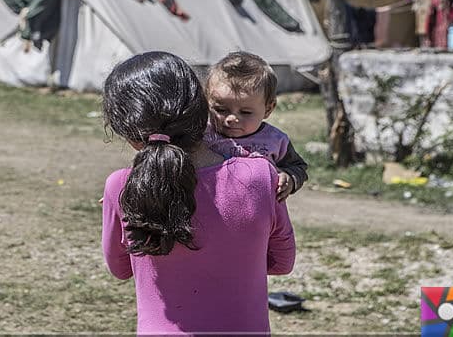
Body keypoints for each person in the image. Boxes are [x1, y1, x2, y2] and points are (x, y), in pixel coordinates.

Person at [101, 51, 295, 334]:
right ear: (201, 107)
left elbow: (120, 268)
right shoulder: (260, 176)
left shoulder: (121, 187)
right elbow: (282, 262)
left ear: (129, 132)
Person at [204, 51, 308, 202]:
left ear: (268, 109)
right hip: (213, 211)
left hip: (259, 215)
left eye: (245, 112)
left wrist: (289, 179)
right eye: (221, 110)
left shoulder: (275, 141)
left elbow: (298, 167)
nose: (232, 119)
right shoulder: (203, 135)